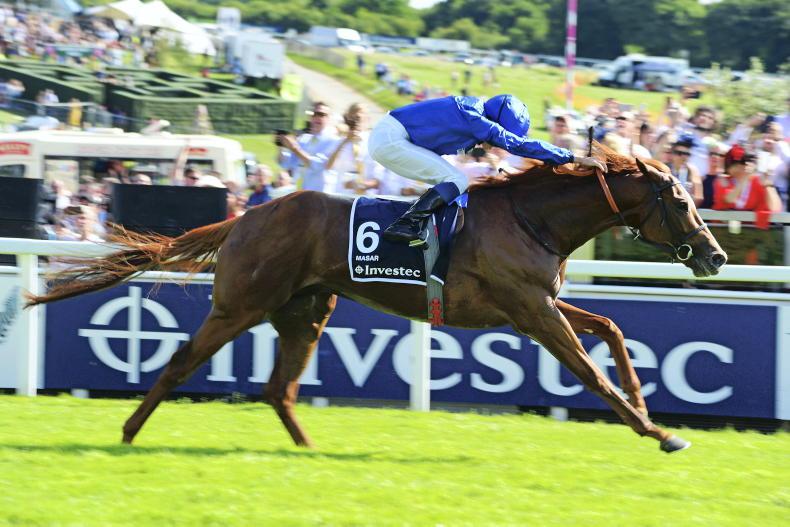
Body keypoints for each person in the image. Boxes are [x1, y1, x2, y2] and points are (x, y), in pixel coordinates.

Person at [368, 94, 606, 245]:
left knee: (452, 182)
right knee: (456, 179)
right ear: (497, 122)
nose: (498, 145)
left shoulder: (473, 112)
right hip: (391, 139)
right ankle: (405, 225)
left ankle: (425, 230)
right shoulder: (474, 116)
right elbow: (518, 144)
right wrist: (572, 157)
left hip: (392, 138)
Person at [277, 101, 338, 192]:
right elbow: (286, 163)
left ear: (329, 118)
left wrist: (294, 148)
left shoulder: (334, 141)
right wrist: (281, 145)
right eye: (314, 114)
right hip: (302, 191)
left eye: (321, 114)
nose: (317, 117)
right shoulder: (304, 139)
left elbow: (318, 165)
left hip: (321, 193)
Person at [713, 144, 781, 213]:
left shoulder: (756, 182)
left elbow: (775, 208)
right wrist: (745, 177)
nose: (742, 167)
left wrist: (768, 184)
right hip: (723, 219)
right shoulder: (723, 180)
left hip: (749, 220)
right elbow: (729, 199)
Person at [667, 135, 703, 206]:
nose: (683, 157)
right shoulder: (665, 169)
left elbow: (698, 197)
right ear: (672, 153)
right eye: (679, 153)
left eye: (687, 154)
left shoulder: (692, 171)